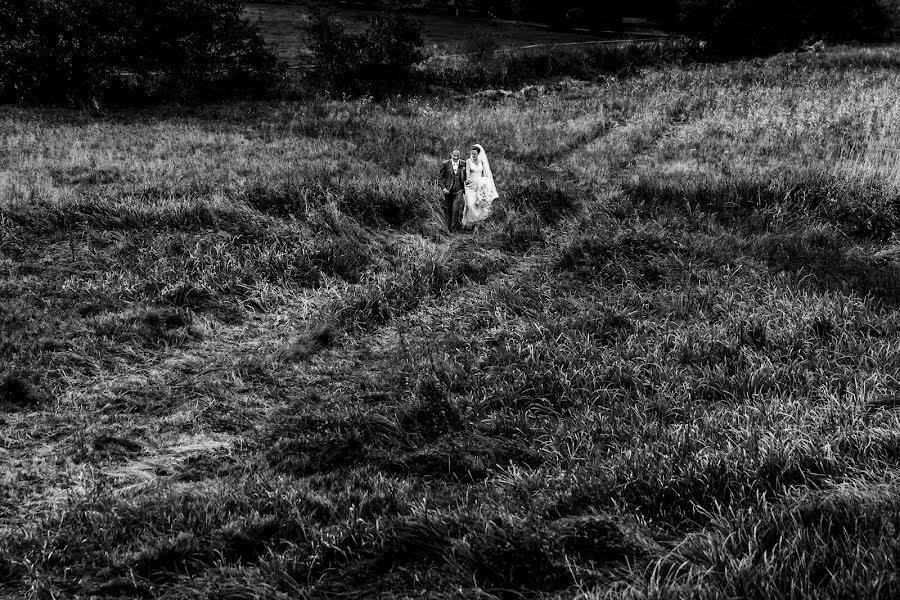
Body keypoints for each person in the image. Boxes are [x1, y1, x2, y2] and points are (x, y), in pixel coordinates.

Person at [462, 144, 498, 228]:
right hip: (470, 186)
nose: (473, 155)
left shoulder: (481, 162)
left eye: (474, 154)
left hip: (479, 186)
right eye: (471, 154)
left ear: (478, 154)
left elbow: (484, 173)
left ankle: (474, 224)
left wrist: (485, 183)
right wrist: (467, 179)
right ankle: (470, 222)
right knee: (469, 205)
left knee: (477, 205)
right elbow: (467, 171)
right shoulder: (468, 161)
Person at [439, 147, 466, 232]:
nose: (456, 158)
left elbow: (467, 176)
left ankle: (453, 229)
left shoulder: (463, 163)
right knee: (449, 210)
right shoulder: (445, 164)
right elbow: (440, 179)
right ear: (451, 154)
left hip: (459, 190)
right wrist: (444, 189)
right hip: (448, 191)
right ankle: (447, 228)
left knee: (455, 209)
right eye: (454, 155)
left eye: (458, 156)